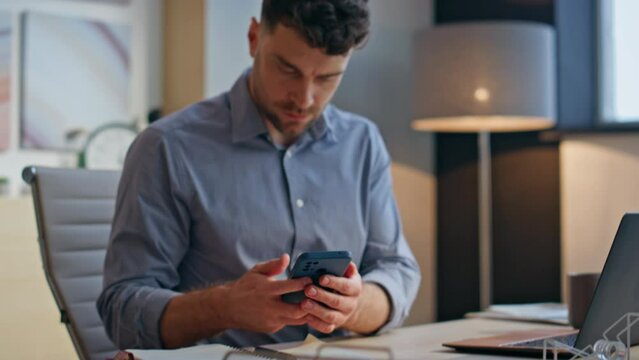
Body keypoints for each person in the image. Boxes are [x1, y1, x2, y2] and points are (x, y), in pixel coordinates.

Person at [97, 0, 421, 350]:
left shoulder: (363, 143)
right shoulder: (167, 147)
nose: (304, 98)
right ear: (254, 38)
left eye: (327, 78)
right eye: (287, 69)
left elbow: (397, 270)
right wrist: (225, 308)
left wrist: (352, 306)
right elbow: (122, 310)